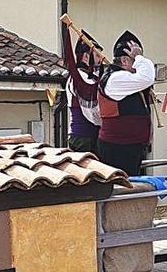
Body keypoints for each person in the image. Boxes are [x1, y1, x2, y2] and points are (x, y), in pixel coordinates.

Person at [96, 31, 156, 175]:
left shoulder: (123, 78)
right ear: (124, 61)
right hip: (118, 148)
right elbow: (147, 78)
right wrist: (139, 57)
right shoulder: (116, 78)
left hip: (128, 146)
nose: (137, 66)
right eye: (134, 60)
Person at [60, 27, 103, 153]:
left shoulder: (89, 77)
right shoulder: (80, 78)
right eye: (97, 55)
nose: (100, 60)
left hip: (87, 136)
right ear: (85, 56)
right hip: (84, 138)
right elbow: (93, 113)